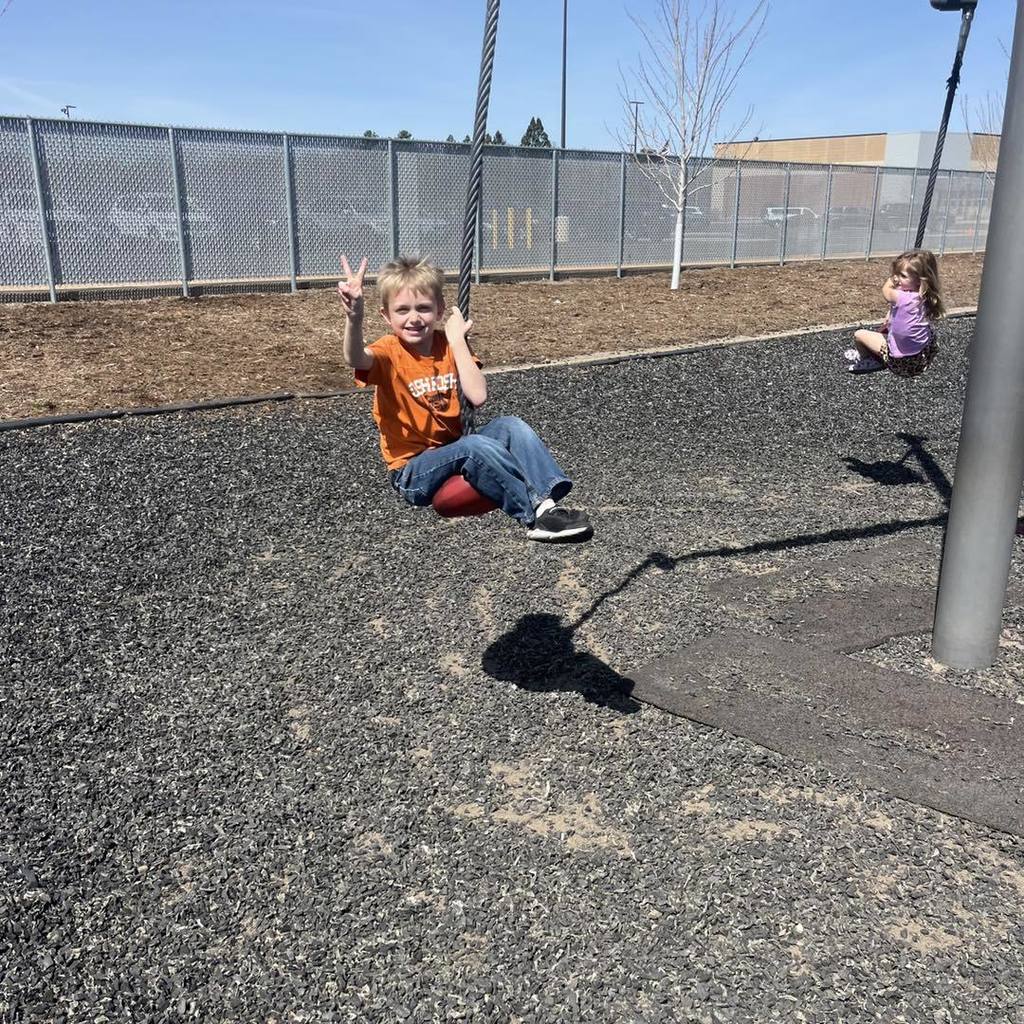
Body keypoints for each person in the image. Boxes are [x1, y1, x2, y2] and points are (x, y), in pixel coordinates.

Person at [338, 254, 593, 543]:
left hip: (456, 450)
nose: (414, 318)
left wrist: (457, 341)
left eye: (423, 308)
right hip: (413, 472)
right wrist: (354, 316)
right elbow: (354, 357)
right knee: (472, 447)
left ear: (439, 311)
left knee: (511, 425)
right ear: (386, 316)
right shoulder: (388, 352)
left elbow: (478, 395)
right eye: (402, 310)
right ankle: (534, 516)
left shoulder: (449, 345)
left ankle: (548, 501)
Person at [844, 249, 945, 377]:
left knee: (859, 335)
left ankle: (870, 360)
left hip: (900, 363)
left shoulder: (903, 298)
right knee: (901, 327)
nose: (897, 278)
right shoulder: (927, 297)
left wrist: (892, 279)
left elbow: (886, 290)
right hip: (922, 358)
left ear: (919, 281)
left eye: (902, 276)